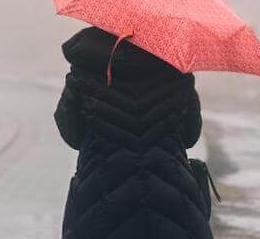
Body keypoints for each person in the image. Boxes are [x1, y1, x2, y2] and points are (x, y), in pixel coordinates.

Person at [54, 26, 213, 239]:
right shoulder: (175, 68)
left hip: (99, 195)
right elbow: (190, 136)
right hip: (169, 196)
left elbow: (72, 134)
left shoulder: (86, 67)